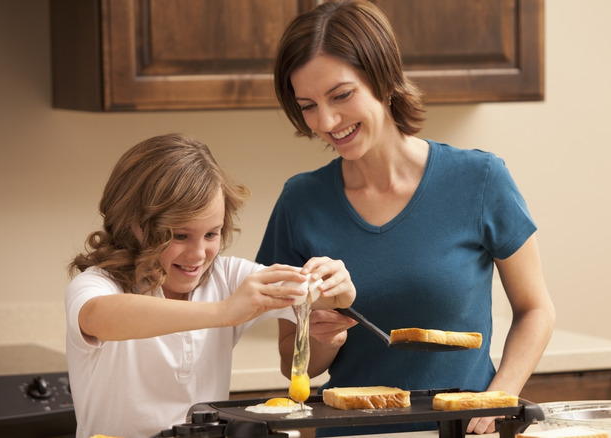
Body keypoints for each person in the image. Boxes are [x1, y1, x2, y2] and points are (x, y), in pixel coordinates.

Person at [256, 1, 555, 436]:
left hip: (461, 430)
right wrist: (324, 336)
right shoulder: (299, 201)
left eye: (341, 95)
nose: (327, 121)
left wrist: (498, 399)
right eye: (308, 105)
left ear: (384, 79)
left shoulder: (480, 179)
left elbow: (536, 310)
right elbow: (293, 363)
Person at [65, 133, 356, 438]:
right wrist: (224, 312)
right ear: (132, 224)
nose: (198, 254)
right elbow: (99, 317)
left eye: (211, 234)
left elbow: (314, 294)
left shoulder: (227, 277)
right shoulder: (97, 284)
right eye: (179, 236)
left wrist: (338, 290)